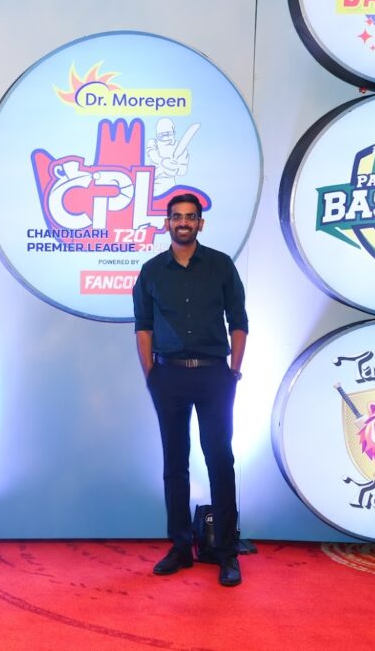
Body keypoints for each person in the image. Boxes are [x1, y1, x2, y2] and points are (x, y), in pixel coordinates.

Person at [131, 193, 247, 587]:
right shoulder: (151, 271)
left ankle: (227, 553)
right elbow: (143, 327)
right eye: (177, 216)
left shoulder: (221, 265)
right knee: (174, 464)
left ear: (200, 223)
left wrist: (234, 370)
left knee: (220, 460)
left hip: (215, 376)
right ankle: (180, 547)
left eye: (191, 217)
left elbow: (239, 321)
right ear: (167, 223)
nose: (184, 222)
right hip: (169, 377)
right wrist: (151, 375)